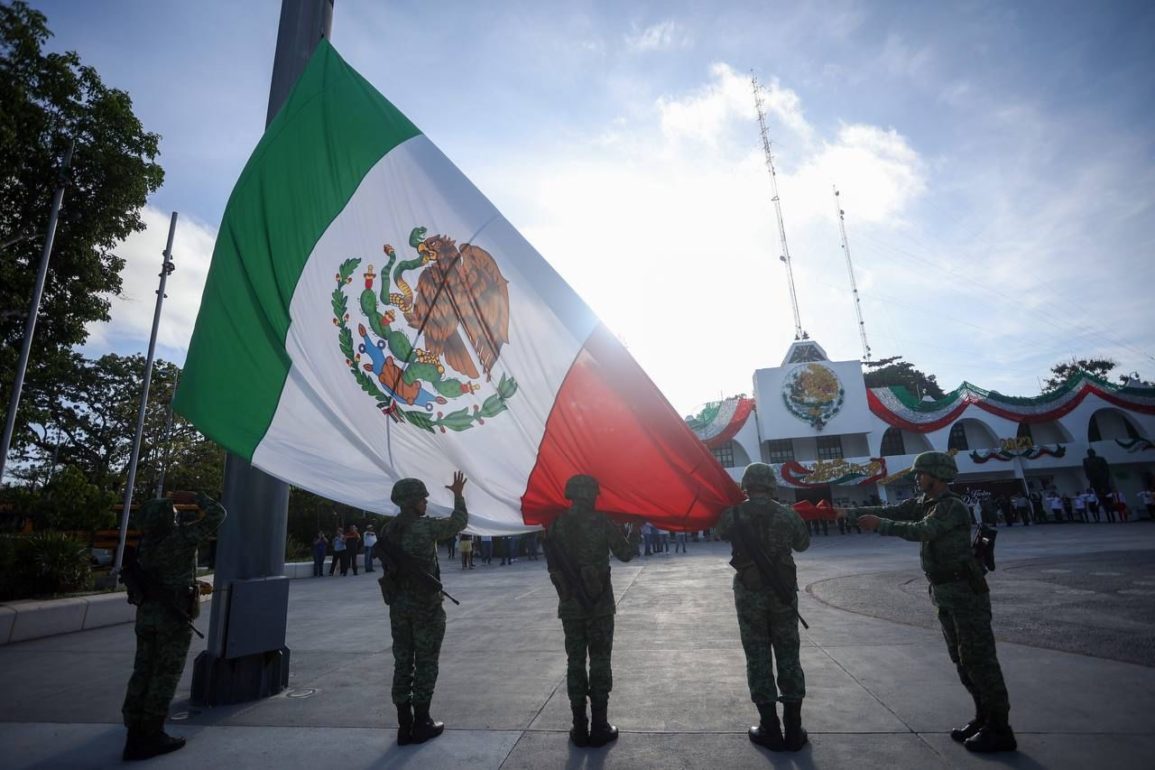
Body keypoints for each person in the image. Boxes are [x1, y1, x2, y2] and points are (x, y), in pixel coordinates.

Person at [835, 451, 1016, 753]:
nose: (917, 479)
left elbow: (922, 531)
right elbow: (893, 510)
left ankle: (1000, 729)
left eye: (921, 474)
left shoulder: (951, 507)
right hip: (945, 590)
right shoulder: (925, 503)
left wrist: (878, 524)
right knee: (961, 660)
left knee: (980, 661)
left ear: (935, 475)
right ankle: (983, 717)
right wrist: (848, 513)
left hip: (964, 592)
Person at [120, 491, 226, 761]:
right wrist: (195, 497)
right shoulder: (181, 538)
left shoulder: (145, 544)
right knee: (165, 674)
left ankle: (134, 733)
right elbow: (218, 515)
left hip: (147, 616)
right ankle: (152, 735)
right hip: (172, 617)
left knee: (142, 671)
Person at [717, 462, 810, 752]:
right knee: (788, 655)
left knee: (757, 656)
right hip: (783, 594)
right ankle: (794, 730)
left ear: (746, 485)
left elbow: (719, 533)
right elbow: (803, 544)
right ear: (771, 485)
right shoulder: (786, 514)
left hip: (749, 593)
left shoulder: (732, 514)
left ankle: (770, 727)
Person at [544, 474, 638, 747]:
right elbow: (626, 553)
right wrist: (636, 530)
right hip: (599, 605)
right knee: (599, 660)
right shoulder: (601, 522)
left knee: (574, 662)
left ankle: (579, 725)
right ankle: (599, 724)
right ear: (589, 494)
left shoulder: (556, 524)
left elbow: (551, 561)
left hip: (570, 605)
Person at [379, 473, 469, 745]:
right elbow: (459, 522)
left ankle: (403, 726)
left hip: (398, 608)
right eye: (422, 498)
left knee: (403, 662)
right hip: (425, 609)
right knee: (426, 662)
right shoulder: (425, 528)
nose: (425, 502)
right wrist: (458, 494)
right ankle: (422, 722)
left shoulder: (387, 531)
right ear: (412, 501)